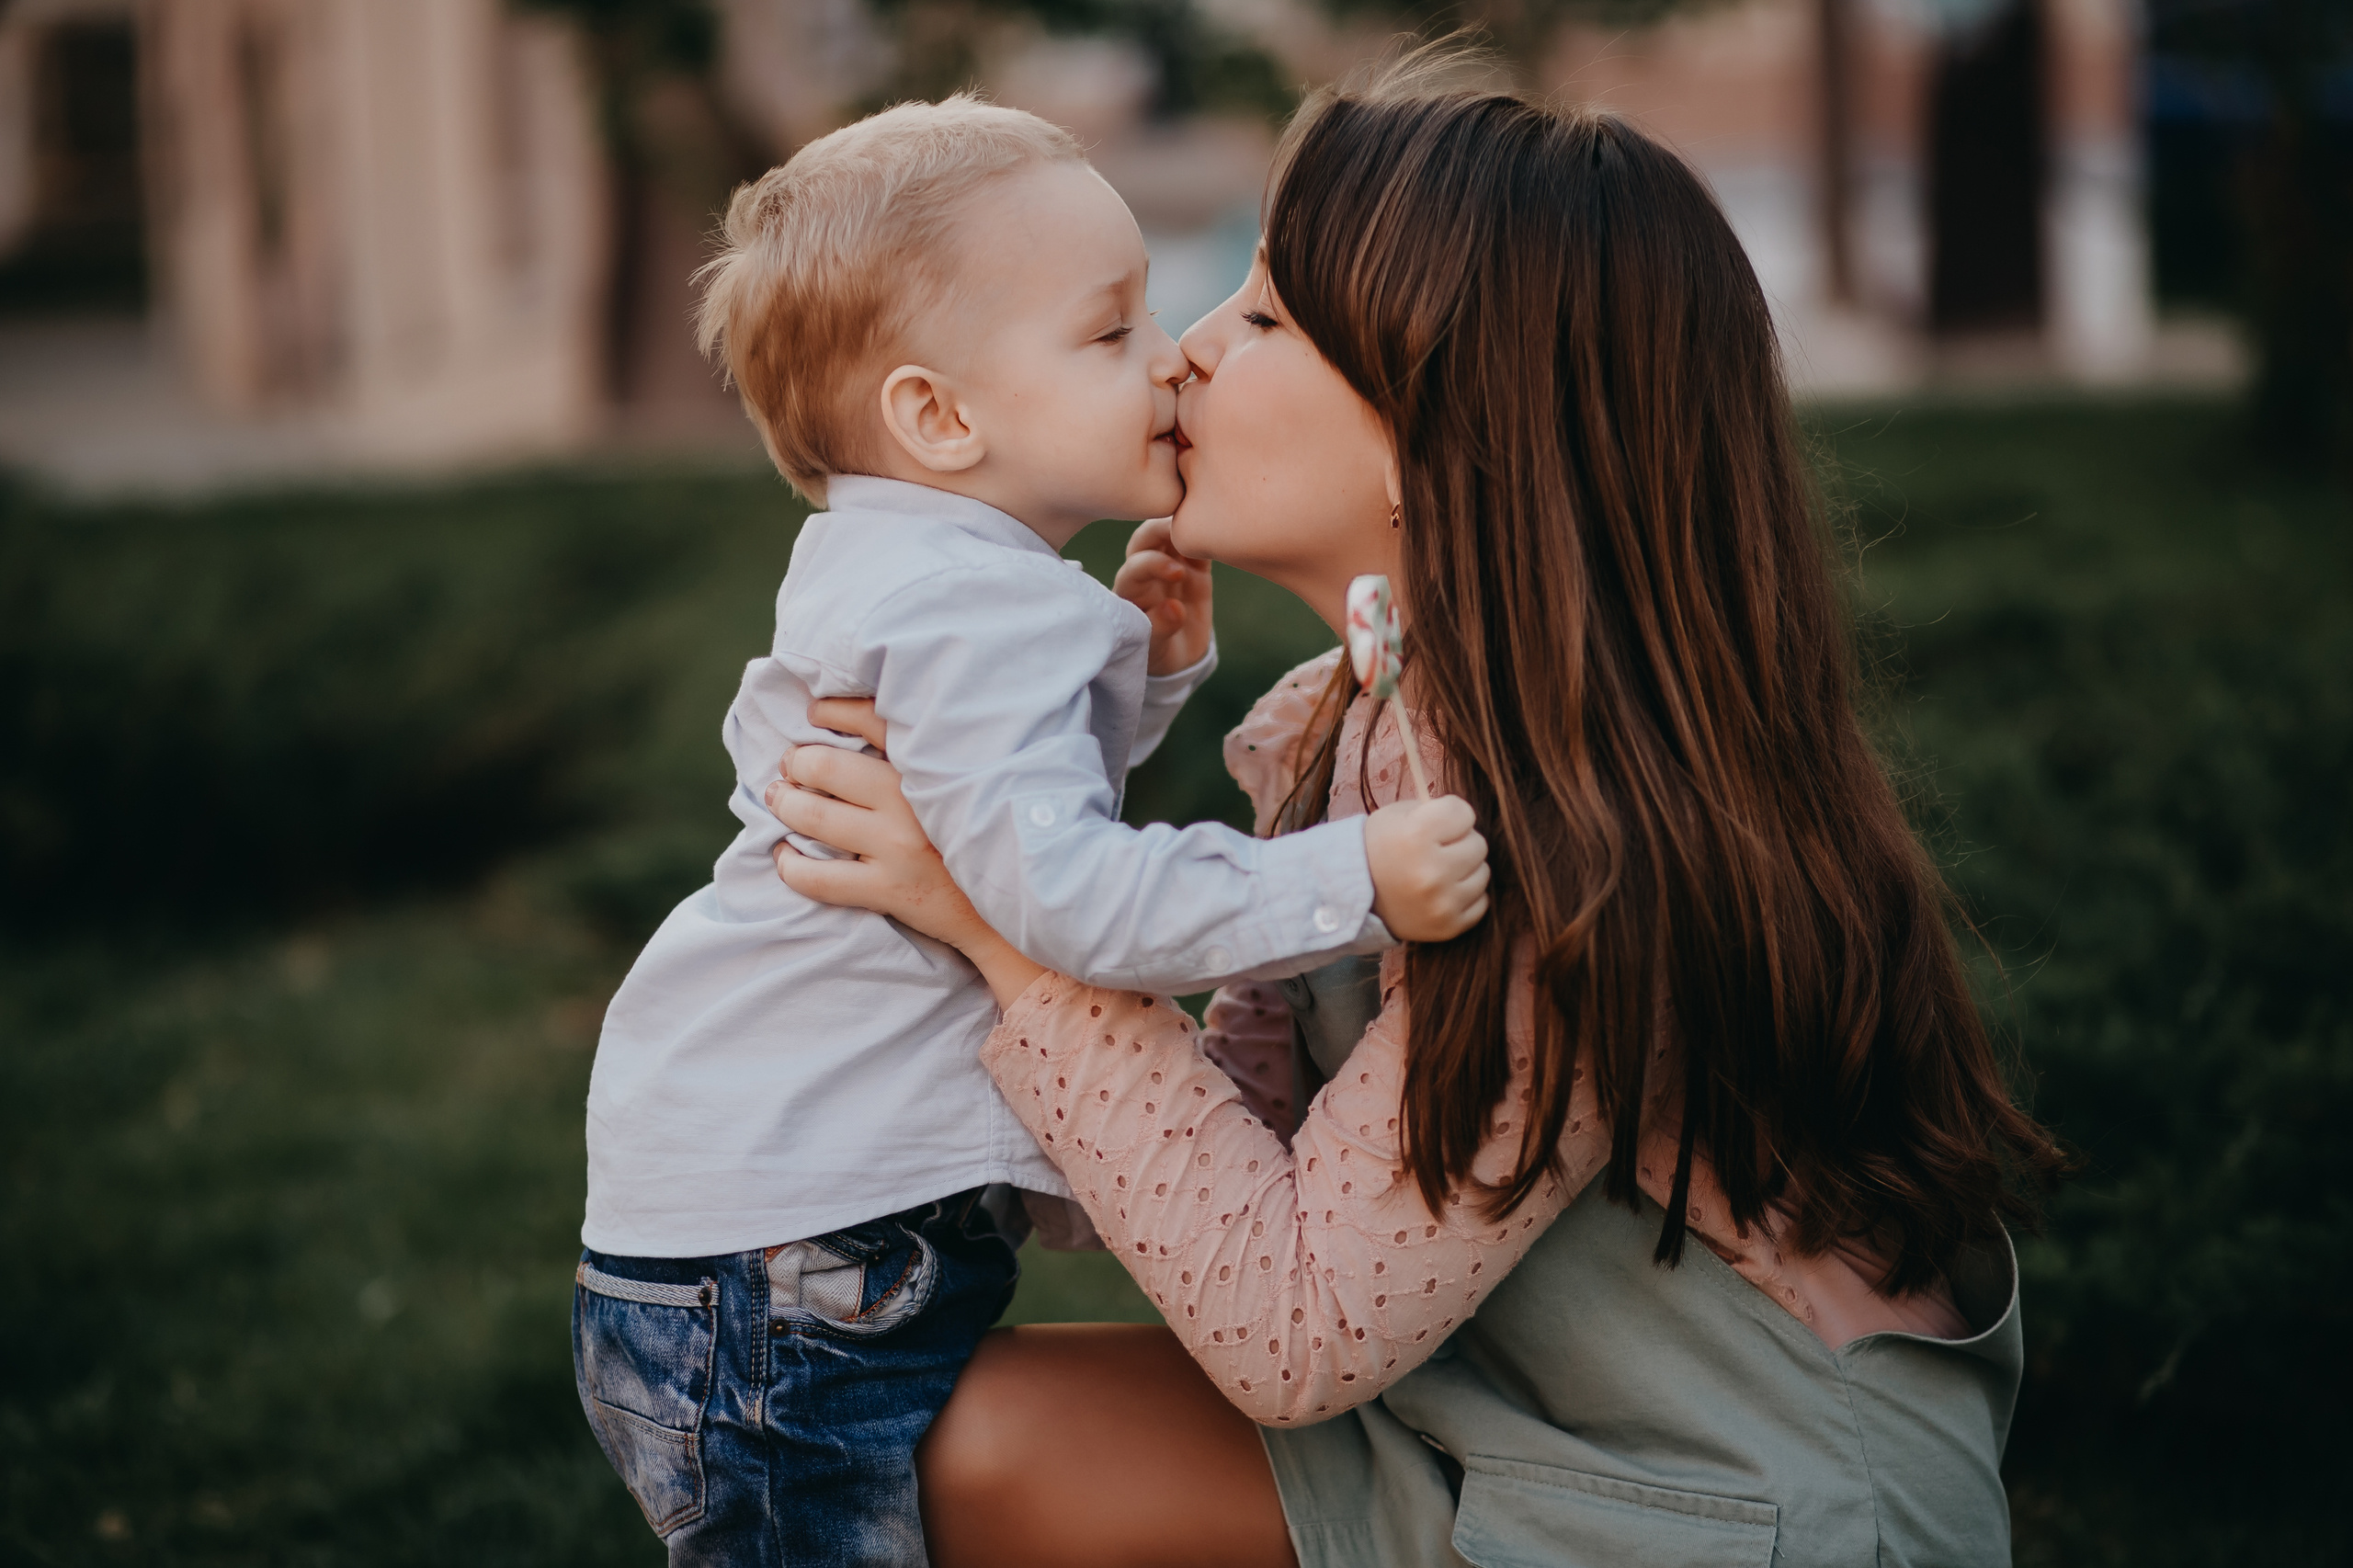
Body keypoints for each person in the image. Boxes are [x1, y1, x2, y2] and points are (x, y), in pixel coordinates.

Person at [765, 60, 2067, 1568]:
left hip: (1717, 1512)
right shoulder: (1353, 715)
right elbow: (1229, 1163)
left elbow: (1290, 1325)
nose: (1181, 358)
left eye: (1257, 318)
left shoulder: (1560, 842)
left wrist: (999, 918)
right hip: (1487, 1424)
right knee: (932, 1441)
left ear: (1435, 424)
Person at [571, 96, 1491, 1568]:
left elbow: (992, 823)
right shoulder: (974, 602)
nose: (1175, 351)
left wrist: (1138, 676)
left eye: (1245, 316)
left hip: (750, 1235)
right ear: (940, 415)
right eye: (1110, 330)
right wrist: (1353, 879)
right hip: (796, 1254)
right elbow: (1063, 891)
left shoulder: (911, 568)